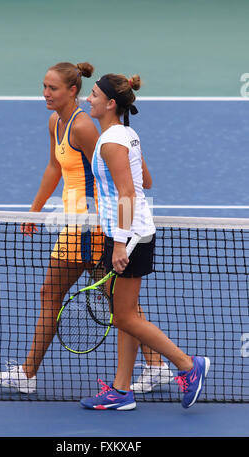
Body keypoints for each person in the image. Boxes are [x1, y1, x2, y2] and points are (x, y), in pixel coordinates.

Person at [0, 62, 169, 394]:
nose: (45, 93)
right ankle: (156, 366)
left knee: (62, 296)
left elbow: (115, 179)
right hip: (76, 223)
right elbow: (54, 167)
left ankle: (28, 374)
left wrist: (109, 227)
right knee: (118, 304)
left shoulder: (86, 129)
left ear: (73, 90)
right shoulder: (56, 122)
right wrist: (35, 210)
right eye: (44, 86)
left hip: (90, 229)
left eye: (52, 88)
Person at [80, 73, 210, 410]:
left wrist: (120, 243)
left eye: (93, 95)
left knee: (124, 316)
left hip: (129, 237)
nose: (87, 99)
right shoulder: (127, 135)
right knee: (125, 312)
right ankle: (121, 391)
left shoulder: (110, 142)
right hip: (129, 233)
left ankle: (187, 365)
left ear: (110, 103)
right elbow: (145, 181)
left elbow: (127, 192)